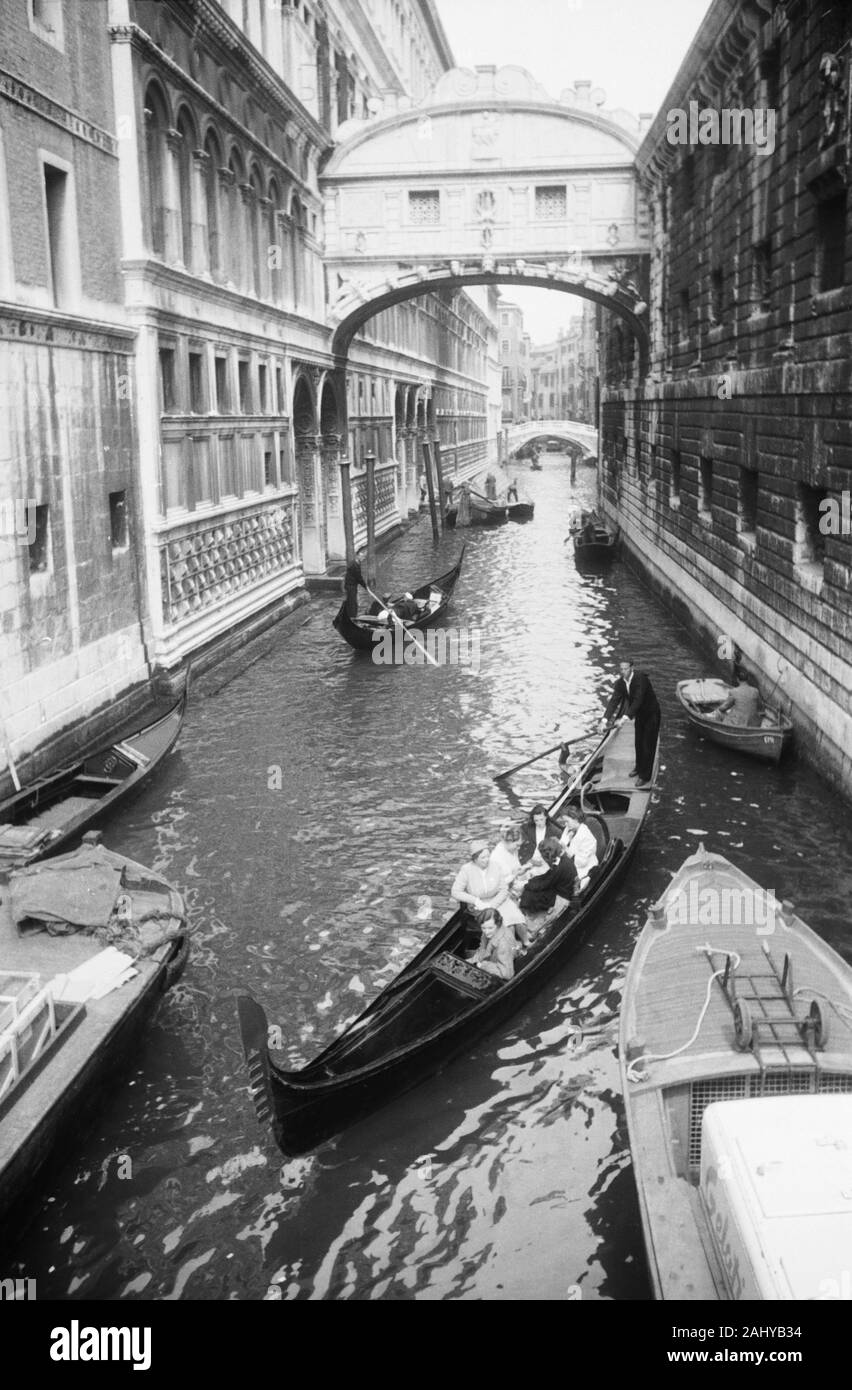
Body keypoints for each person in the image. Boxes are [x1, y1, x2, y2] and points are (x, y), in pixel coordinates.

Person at [601, 659, 661, 788]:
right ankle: (639, 768)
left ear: (632, 668)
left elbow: (637, 700)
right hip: (639, 714)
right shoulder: (621, 683)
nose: (623, 672)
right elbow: (614, 701)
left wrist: (623, 719)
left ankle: (645, 776)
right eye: (621, 669)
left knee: (647, 745)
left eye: (626, 669)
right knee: (638, 742)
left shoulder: (641, 680)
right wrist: (604, 721)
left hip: (651, 714)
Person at [451, 840, 509, 922]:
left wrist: (492, 905)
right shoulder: (466, 870)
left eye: (488, 856)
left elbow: (504, 889)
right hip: (478, 907)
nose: (487, 860)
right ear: (475, 859)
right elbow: (455, 892)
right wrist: (476, 901)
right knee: (500, 921)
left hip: (497, 901)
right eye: (483, 858)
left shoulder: (496, 866)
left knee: (514, 919)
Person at [519, 838, 578, 918]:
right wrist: (532, 880)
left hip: (561, 896)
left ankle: (528, 915)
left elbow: (546, 883)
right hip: (563, 888)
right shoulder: (563, 859)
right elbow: (549, 876)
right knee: (532, 887)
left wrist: (528, 884)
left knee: (529, 894)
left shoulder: (560, 866)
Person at [560, 805, 598, 890]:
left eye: (567, 821)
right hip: (569, 866)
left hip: (584, 870)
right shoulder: (568, 829)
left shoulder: (586, 836)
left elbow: (581, 862)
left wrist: (566, 848)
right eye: (564, 822)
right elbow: (561, 845)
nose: (565, 824)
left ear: (576, 819)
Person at [471, 910, 517, 981]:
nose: (486, 932)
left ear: (498, 924)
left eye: (490, 928)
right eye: (483, 928)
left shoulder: (503, 944)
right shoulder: (489, 932)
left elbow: (507, 974)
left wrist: (483, 965)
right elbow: (482, 949)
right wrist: (473, 962)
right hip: (488, 962)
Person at [518, 803, 564, 871]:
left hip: (546, 862)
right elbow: (520, 849)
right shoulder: (525, 829)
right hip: (529, 860)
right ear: (533, 820)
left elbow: (558, 851)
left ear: (546, 817)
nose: (539, 823)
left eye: (541, 819)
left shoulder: (556, 831)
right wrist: (530, 861)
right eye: (536, 820)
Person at [343, 549, 367, 618]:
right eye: (362, 556)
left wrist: (365, 586)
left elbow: (358, 578)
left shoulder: (355, 563)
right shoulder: (355, 565)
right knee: (352, 603)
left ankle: (352, 615)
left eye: (364, 557)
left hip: (351, 585)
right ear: (358, 556)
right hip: (350, 586)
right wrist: (365, 586)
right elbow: (359, 578)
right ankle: (352, 617)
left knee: (353, 602)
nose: (364, 558)